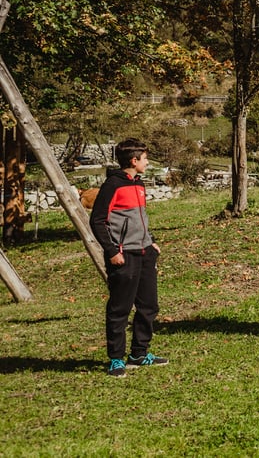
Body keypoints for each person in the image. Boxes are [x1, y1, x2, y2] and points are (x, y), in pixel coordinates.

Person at [90, 138, 168, 377]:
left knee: (149, 306)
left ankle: (139, 354)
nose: (147, 162)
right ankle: (116, 359)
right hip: (124, 256)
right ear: (134, 161)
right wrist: (112, 251)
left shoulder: (139, 184)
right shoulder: (113, 185)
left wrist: (151, 240)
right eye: (145, 158)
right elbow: (97, 221)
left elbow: (139, 218)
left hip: (145, 253)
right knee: (120, 308)